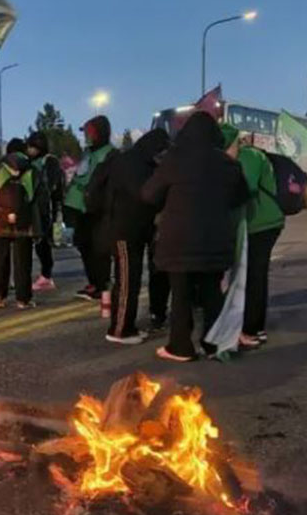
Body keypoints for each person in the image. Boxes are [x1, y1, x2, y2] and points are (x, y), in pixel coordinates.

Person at [140, 113, 249, 362]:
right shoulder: (228, 163)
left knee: (181, 294)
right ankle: (215, 345)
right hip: (216, 238)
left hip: (179, 239)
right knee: (212, 292)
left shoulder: (174, 160)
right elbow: (241, 196)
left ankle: (180, 347)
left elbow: (149, 194)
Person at [90, 128, 170, 345]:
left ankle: (127, 325)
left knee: (129, 280)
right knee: (126, 282)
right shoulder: (133, 165)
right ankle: (120, 330)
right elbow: (145, 195)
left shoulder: (134, 160)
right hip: (125, 230)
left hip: (130, 229)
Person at [219, 125, 286, 348]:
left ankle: (250, 329)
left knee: (253, 276)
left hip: (262, 223)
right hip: (254, 224)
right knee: (253, 275)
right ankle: (255, 327)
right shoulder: (243, 156)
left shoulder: (248, 157)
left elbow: (242, 190)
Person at [63, 116, 115, 300]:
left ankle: (103, 285)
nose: (86, 136)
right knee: (84, 245)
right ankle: (94, 282)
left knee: (99, 249)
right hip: (81, 209)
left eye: (88, 132)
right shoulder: (88, 154)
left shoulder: (110, 154)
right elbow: (80, 177)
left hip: (98, 210)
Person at [0, 139, 39, 309]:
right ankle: (23, 299)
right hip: (24, 222)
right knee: (23, 262)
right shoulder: (32, 169)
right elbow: (39, 200)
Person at [26, 131, 65, 291]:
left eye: (31, 147)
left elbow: (53, 185)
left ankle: (46, 275)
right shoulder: (32, 161)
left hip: (45, 207)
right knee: (36, 241)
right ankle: (41, 275)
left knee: (43, 241)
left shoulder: (49, 161)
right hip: (34, 206)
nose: (29, 150)